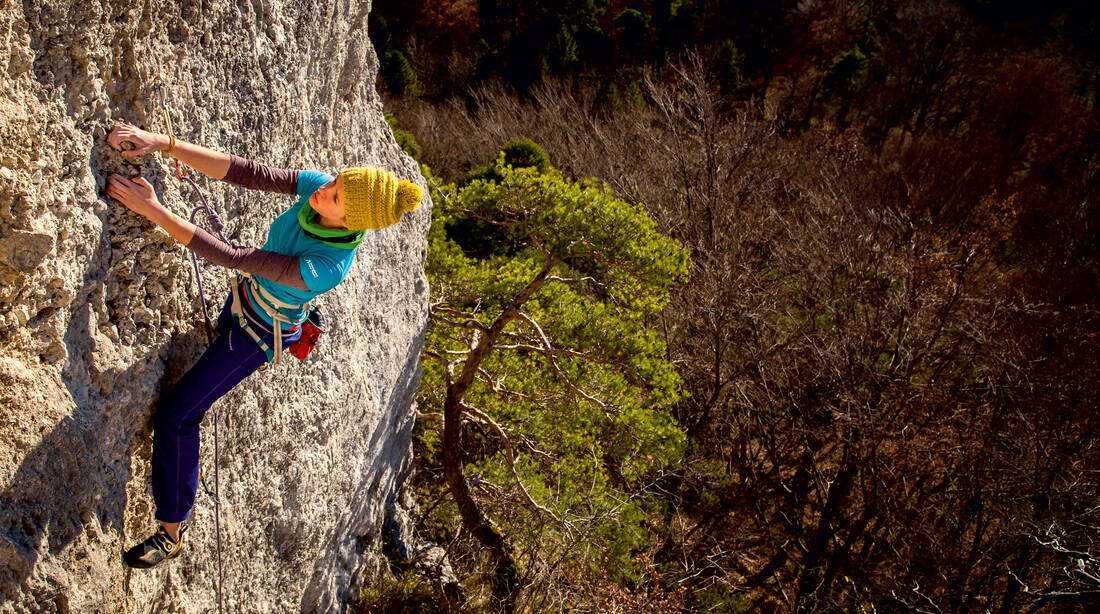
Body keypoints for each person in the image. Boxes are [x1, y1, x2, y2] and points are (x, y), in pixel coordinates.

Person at [104, 123, 422, 568]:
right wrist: (165, 143)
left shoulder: (329, 265)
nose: (323, 189)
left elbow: (237, 257)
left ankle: (171, 533)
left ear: (349, 223)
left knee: (179, 414)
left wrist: (152, 210)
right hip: (244, 302)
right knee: (195, 382)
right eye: (334, 182)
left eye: (334, 196)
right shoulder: (323, 192)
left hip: (257, 337)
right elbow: (246, 172)